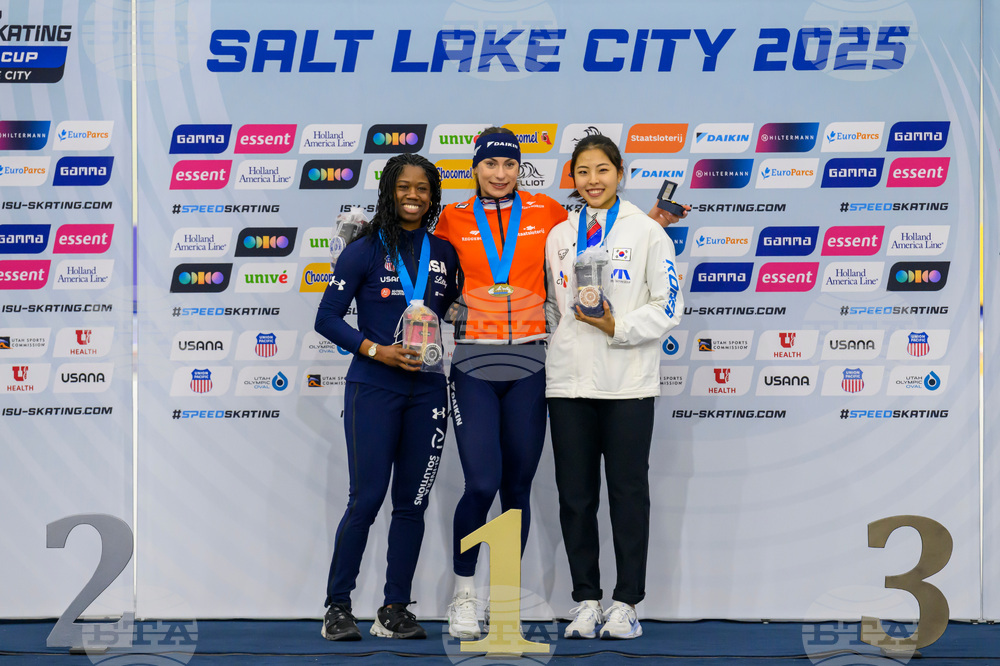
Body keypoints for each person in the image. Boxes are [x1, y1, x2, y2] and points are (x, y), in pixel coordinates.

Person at [543, 134, 685, 640]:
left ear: (620, 173)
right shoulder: (559, 236)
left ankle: (626, 602)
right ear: (573, 179)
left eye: (602, 170)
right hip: (567, 386)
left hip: (627, 384)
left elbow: (669, 306)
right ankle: (585, 600)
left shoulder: (647, 231)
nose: (593, 180)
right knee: (575, 497)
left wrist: (615, 328)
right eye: (583, 172)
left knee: (627, 494)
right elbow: (555, 309)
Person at [315, 153, 459, 641]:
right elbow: (327, 318)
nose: (413, 195)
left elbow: (454, 310)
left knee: (411, 504)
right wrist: (378, 350)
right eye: (404, 187)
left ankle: (394, 608)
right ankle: (337, 607)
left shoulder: (445, 252)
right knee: (367, 499)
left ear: (433, 194)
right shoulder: (364, 249)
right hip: (374, 388)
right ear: (389, 192)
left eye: (422, 187)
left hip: (430, 389)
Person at [432, 128, 568, 638]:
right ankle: (464, 596)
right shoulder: (452, 218)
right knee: (482, 483)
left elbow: (597, 245)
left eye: (509, 164)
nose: (500, 173)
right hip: (473, 363)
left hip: (531, 363)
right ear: (476, 168)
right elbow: (430, 276)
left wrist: (654, 224)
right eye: (490, 164)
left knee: (516, 487)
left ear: (519, 168)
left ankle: (504, 599)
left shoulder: (549, 212)